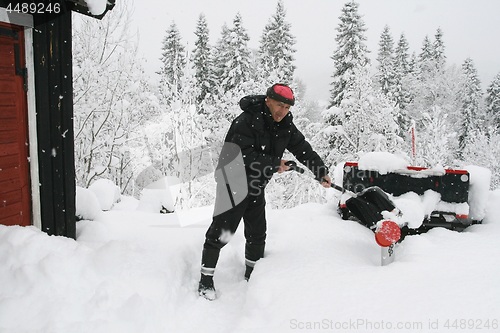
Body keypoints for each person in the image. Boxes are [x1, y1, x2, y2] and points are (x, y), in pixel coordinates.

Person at [198, 83, 331, 300]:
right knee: (223, 232)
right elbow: (242, 155)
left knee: (257, 233)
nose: (282, 111)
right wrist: (274, 163)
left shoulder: (285, 125)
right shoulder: (246, 121)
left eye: (287, 108)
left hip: (256, 184)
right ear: (268, 100)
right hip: (233, 182)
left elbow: (302, 147)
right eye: (279, 105)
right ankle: (205, 279)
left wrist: (320, 170)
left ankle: (253, 274)